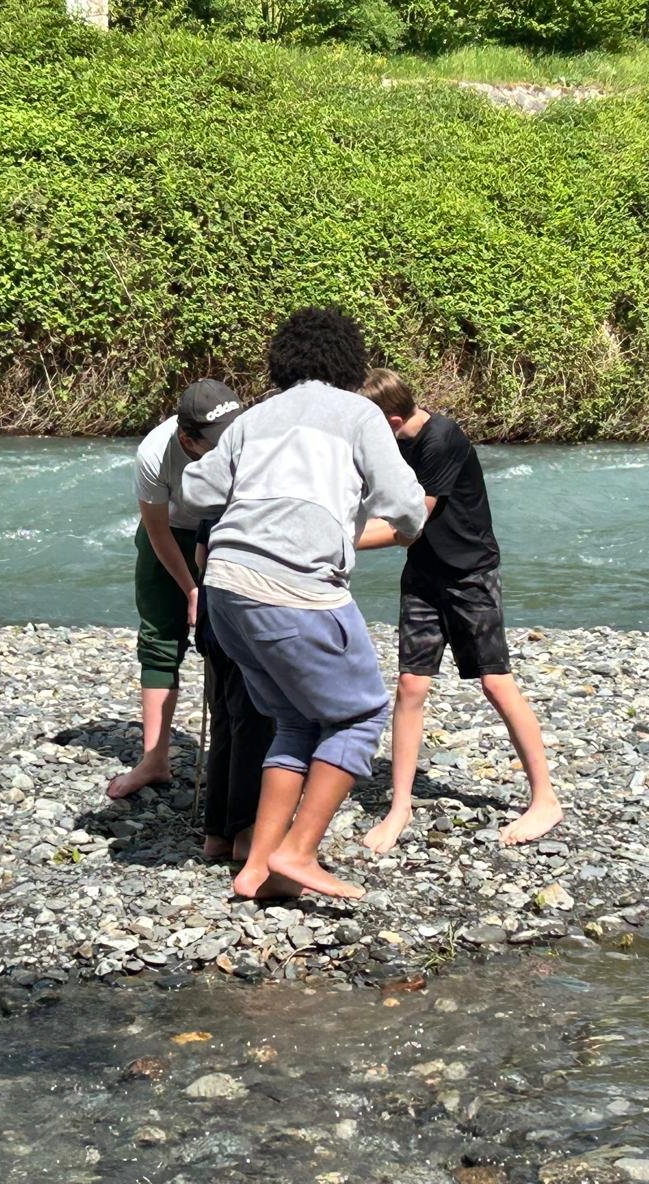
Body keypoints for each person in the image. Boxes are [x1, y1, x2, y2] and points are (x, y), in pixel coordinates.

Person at [185, 309, 427, 900]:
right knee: (361, 715)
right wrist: (403, 525)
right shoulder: (358, 414)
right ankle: (298, 851)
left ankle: (257, 869)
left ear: (282, 363)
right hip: (296, 588)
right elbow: (405, 503)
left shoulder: (254, 418)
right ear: (351, 363)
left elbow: (195, 490)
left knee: (295, 719)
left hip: (226, 586)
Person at [355, 368, 563, 850]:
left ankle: (546, 799)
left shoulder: (440, 440)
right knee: (411, 685)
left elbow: (408, 527)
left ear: (390, 420)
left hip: (470, 575)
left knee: (495, 682)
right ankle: (400, 806)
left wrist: (335, 542)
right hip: (424, 574)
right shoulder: (394, 444)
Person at [108, 379, 244, 799]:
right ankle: (154, 759)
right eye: (216, 441)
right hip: (171, 535)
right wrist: (191, 589)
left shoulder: (247, 435)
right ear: (188, 439)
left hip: (230, 532)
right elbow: (156, 530)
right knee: (160, 640)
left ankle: (238, 756)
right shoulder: (155, 452)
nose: (228, 445)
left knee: (236, 643)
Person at [193, 519, 273, 862]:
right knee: (254, 722)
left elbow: (201, 554)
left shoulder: (222, 487)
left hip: (214, 608)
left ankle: (217, 832)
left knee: (224, 719)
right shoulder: (267, 493)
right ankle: (245, 831)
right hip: (249, 609)